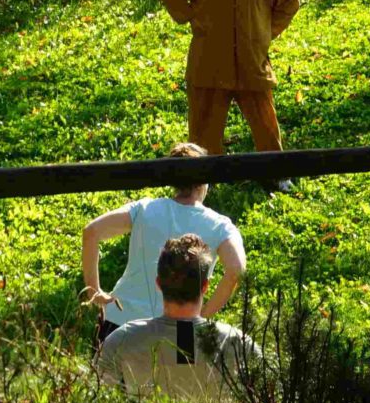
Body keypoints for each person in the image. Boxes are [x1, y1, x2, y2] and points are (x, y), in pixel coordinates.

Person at [156, 0, 301, 189]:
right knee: (203, 123)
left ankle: (275, 174)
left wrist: (265, 32)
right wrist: (188, 16)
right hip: (209, 58)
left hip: (251, 59)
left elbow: (290, 2)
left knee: (265, 122)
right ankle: (204, 179)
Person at [80, 145, 247, 350]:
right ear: (204, 181)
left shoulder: (145, 208)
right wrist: (203, 315)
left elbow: (91, 232)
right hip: (183, 329)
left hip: (120, 319)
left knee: (107, 381)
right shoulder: (220, 225)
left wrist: (94, 292)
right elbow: (236, 270)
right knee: (180, 383)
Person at [96, 234, 263, 403]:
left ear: (158, 284)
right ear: (205, 286)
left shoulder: (122, 339)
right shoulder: (238, 343)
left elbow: (98, 401)